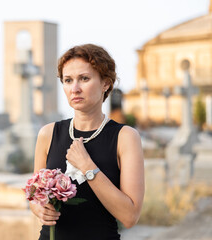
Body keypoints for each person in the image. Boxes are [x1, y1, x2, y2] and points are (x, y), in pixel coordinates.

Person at [30, 44, 145, 239]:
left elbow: (129, 217)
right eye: (68, 80)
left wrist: (87, 167)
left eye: (84, 78)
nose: (74, 88)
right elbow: (34, 195)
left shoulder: (125, 137)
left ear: (105, 83)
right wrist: (39, 209)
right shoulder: (47, 134)